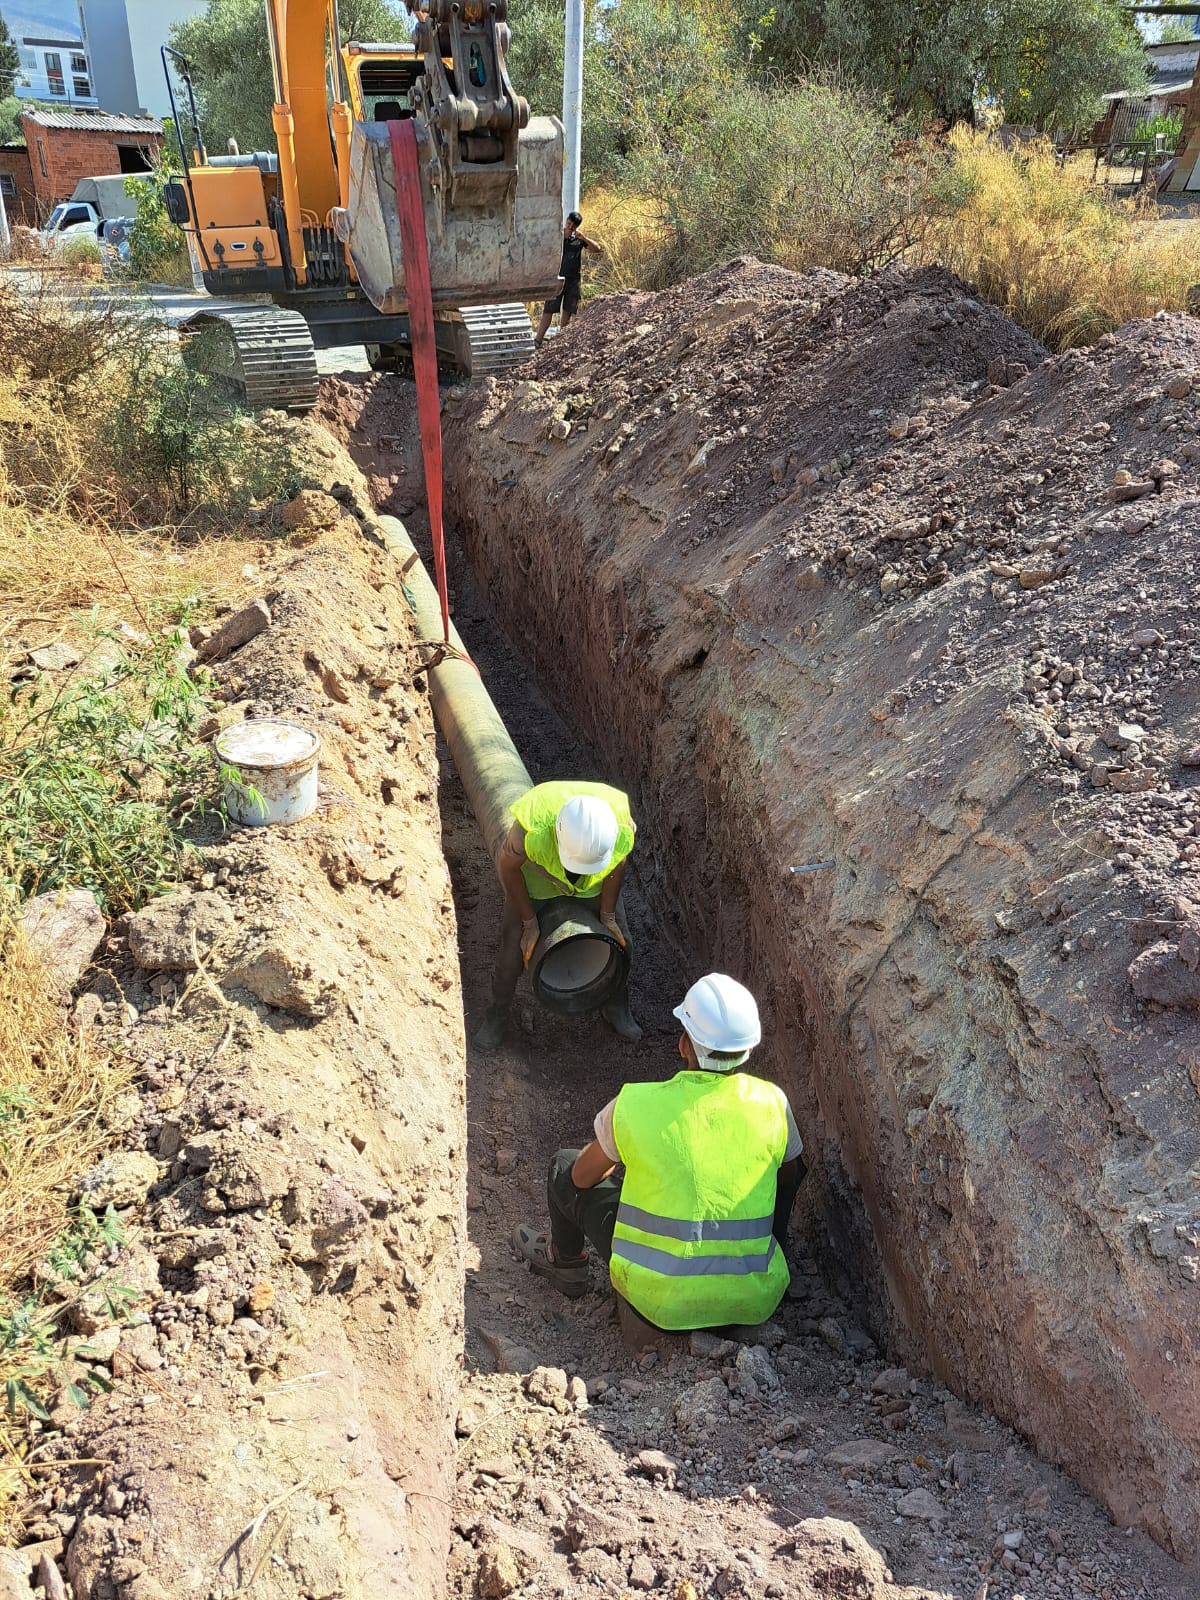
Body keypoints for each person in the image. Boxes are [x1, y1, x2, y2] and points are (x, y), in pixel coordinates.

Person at [512, 974, 805, 1333]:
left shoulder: (635, 1104)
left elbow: (580, 1178)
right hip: (754, 1300)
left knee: (562, 1166)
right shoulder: (773, 1103)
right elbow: (790, 1175)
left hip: (658, 1301)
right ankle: (761, 1260)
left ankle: (567, 1263)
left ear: (683, 1043)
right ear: (748, 1049)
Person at [474, 779, 640, 1052]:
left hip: (595, 884)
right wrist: (529, 924)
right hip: (537, 880)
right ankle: (497, 1015)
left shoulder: (620, 825)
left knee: (623, 942)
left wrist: (607, 916)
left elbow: (617, 865)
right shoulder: (532, 827)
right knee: (511, 956)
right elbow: (508, 868)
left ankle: (615, 1005)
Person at [534, 211, 602, 347]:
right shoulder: (557, 236)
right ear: (566, 221)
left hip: (573, 281)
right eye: (569, 224)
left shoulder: (579, 239)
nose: (570, 227)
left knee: (567, 312)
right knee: (549, 310)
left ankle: (559, 344)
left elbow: (597, 249)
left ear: (577, 226)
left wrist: (584, 238)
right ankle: (538, 340)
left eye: (573, 226)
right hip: (557, 278)